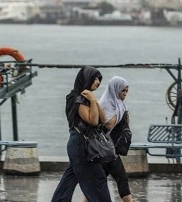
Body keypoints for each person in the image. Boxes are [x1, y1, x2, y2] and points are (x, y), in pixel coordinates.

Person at [51, 66, 112, 202]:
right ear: (86, 79)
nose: (98, 82)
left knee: (68, 181)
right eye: (94, 78)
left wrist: (94, 100)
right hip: (82, 145)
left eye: (99, 79)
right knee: (98, 179)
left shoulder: (82, 97)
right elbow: (94, 121)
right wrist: (92, 100)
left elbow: (106, 121)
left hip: (77, 143)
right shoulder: (79, 98)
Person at [97, 76, 133, 202]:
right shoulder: (106, 104)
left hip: (110, 149)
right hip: (107, 149)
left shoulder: (119, 104)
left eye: (126, 91)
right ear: (115, 89)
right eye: (123, 91)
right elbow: (110, 124)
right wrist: (121, 114)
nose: (125, 94)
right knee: (122, 179)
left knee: (98, 182)